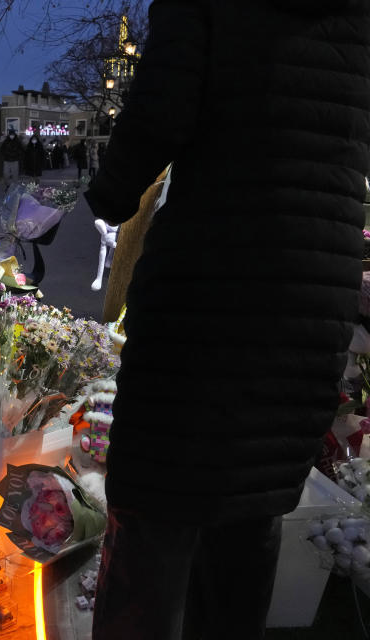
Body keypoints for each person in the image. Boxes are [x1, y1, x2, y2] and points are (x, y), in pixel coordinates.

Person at [84, 1, 370, 639]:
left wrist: (109, 191)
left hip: (209, 286)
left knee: (156, 517)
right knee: (251, 511)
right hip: (312, 295)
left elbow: (163, 106)